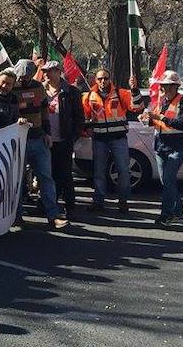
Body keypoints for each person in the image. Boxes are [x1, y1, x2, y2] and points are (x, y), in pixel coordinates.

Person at [12, 59, 67, 229]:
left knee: (46, 178)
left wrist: (47, 133)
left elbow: (44, 112)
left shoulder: (38, 87)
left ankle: (53, 215)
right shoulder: (11, 88)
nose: (24, 80)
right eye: (21, 77)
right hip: (18, 140)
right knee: (17, 181)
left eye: (28, 76)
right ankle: (16, 216)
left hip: (38, 138)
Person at [138, 71, 183, 226]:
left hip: (178, 146)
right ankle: (177, 212)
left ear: (176, 87)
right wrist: (146, 120)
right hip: (161, 145)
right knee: (167, 182)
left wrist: (160, 117)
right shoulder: (161, 102)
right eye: (164, 86)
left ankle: (167, 215)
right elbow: (157, 124)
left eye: (169, 86)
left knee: (169, 180)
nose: (165, 89)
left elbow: (182, 124)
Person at [81, 68, 143, 213]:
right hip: (99, 139)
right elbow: (84, 116)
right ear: (95, 80)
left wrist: (134, 89)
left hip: (118, 138)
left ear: (110, 79)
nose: (103, 81)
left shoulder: (121, 94)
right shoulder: (89, 96)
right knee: (99, 172)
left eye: (106, 78)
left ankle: (123, 201)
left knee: (123, 170)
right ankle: (98, 202)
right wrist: (87, 128)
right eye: (100, 79)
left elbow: (137, 107)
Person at [41, 61, 84, 218]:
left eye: (50, 71)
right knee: (48, 174)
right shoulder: (41, 90)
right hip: (46, 140)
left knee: (65, 174)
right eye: (44, 71)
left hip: (64, 140)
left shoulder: (71, 92)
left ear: (58, 72)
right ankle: (49, 204)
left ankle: (70, 205)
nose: (46, 74)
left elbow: (79, 117)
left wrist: (73, 136)